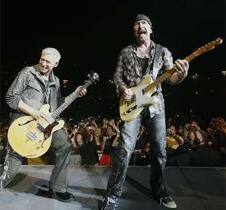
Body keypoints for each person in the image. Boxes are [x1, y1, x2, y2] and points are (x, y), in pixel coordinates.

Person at [101, 14, 189, 209]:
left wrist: (181, 74)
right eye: (136, 24)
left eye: (144, 23)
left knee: (159, 150)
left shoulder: (163, 52)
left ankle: (158, 189)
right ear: (134, 31)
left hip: (155, 106)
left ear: (150, 29)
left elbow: (171, 79)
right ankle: (113, 193)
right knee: (124, 149)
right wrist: (123, 89)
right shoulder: (125, 52)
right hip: (133, 105)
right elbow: (117, 76)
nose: (140, 26)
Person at [0, 47, 87, 202]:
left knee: (64, 145)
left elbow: (57, 105)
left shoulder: (56, 81)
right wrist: (33, 112)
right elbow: (10, 97)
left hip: (46, 123)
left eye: (48, 61)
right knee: (13, 162)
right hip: (24, 121)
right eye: (42, 59)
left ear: (56, 64)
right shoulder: (27, 73)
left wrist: (75, 94)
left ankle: (58, 188)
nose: (43, 63)